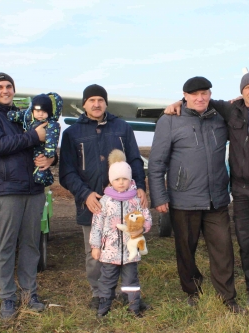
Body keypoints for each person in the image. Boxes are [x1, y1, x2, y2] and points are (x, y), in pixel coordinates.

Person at [164, 72, 249, 307]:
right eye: (247, 87)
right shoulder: (232, 110)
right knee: (246, 242)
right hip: (240, 190)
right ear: (241, 91)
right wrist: (177, 103)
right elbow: (199, 100)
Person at [149, 76, 244, 314]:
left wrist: (244, 100)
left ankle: (228, 297)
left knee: (223, 249)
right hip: (184, 198)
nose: (200, 98)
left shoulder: (220, 117)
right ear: (185, 96)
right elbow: (157, 162)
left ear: (210, 94)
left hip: (217, 199)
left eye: (205, 93)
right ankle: (192, 290)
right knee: (185, 249)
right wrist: (160, 197)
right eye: (195, 94)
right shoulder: (170, 120)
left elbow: (246, 115)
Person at [59, 84, 148, 311]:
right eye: (91, 100)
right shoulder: (72, 134)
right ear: (84, 104)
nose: (96, 104)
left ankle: (129, 295)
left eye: (100, 100)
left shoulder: (122, 129)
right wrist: (85, 194)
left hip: (126, 203)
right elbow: (67, 172)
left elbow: (135, 160)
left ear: (106, 103)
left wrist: (140, 187)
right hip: (93, 204)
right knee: (95, 251)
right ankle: (100, 293)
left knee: (130, 248)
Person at [0, 72, 52, 319]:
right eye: (0, 87)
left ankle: (29, 294)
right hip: (7, 190)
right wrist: (33, 136)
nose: (5, 90)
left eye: (9, 86)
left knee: (31, 244)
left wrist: (50, 158)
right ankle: (7, 298)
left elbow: (43, 143)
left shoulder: (24, 115)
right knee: (7, 246)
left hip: (33, 189)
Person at [89, 149, 152, 318]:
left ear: (130, 179)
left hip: (131, 253)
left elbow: (146, 217)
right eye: (117, 179)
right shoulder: (105, 201)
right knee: (107, 281)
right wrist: (95, 246)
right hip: (109, 253)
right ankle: (103, 308)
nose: (121, 182)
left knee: (131, 282)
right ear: (111, 180)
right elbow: (97, 225)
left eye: (125, 178)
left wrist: (143, 228)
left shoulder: (136, 200)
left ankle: (133, 308)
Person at [7, 92, 62, 186]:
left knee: (40, 167)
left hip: (40, 150)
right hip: (27, 150)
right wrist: (12, 115)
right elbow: (19, 115)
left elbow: (52, 138)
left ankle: (45, 179)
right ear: (33, 111)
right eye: (37, 111)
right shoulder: (27, 117)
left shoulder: (51, 124)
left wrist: (49, 152)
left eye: (44, 112)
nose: (40, 114)